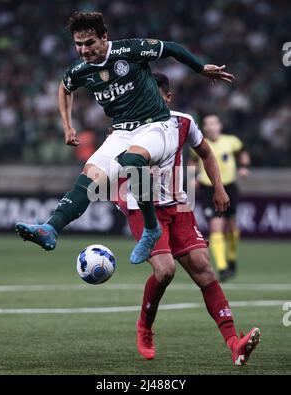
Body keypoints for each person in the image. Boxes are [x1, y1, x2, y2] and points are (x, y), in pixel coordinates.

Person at [15, 11, 234, 265]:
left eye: (89, 43)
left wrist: (200, 68)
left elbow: (171, 48)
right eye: (79, 44)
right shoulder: (79, 70)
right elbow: (64, 88)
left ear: (104, 38)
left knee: (133, 159)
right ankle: (50, 229)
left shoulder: (129, 50)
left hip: (157, 125)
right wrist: (67, 125)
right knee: (90, 175)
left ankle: (151, 229)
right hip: (122, 131)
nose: (84, 50)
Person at [116, 73, 260, 366]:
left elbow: (206, 153)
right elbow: (112, 166)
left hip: (178, 207)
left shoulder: (184, 123)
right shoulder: (126, 128)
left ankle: (234, 343)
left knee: (205, 271)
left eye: (151, 96)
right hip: (145, 210)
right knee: (166, 270)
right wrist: (122, 195)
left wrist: (218, 187)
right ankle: (145, 326)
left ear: (167, 98)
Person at [192, 114, 250, 281]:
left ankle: (231, 258)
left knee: (232, 226)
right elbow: (193, 162)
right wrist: (193, 178)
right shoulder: (199, 142)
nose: (210, 127)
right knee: (216, 226)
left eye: (213, 123)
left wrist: (244, 167)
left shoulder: (232, 141)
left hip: (229, 186)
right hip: (208, 188)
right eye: (207, 124)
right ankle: (223, 267)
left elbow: (243, 154)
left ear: (220, 126)